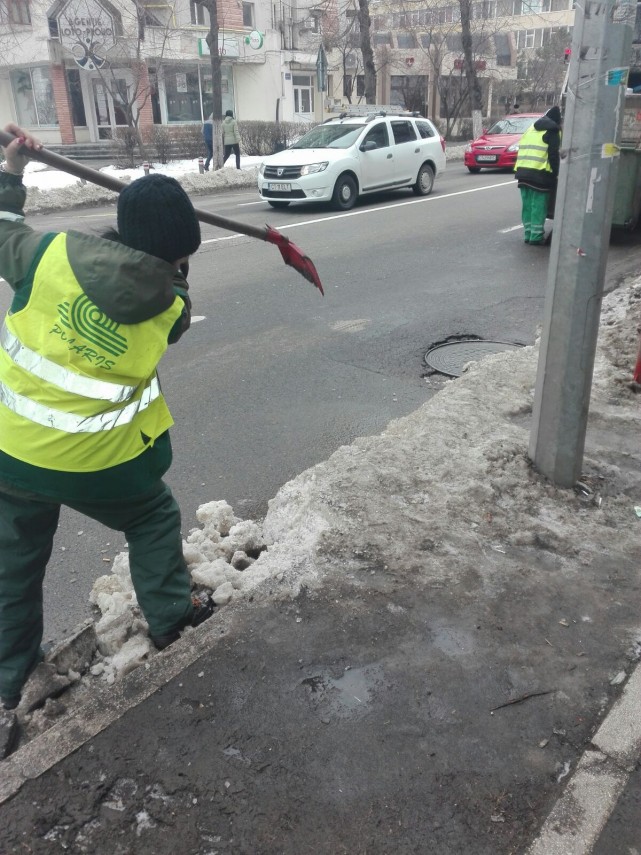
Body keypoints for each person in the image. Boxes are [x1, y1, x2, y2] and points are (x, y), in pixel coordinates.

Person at [0, 124, 214, 711]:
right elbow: (168, 288)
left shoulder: (45, 255)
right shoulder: (171, 306)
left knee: (14, 563)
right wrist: (178, 265)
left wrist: (13, 170)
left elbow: (3, 228)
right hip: (98, 465)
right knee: (152, 518)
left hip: (12, 452)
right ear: (178, 255)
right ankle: (171, 620)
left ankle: (11, 675)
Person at [514, 105, 562, 245]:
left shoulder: (531, 129)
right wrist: (557, 173)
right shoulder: (553, 131)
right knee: (538, 206)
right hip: (540, 175)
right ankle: (536, 237)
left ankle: (528, 234)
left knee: (527, 206)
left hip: (522, 173)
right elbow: (553, 155)